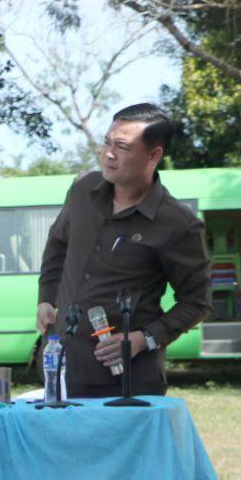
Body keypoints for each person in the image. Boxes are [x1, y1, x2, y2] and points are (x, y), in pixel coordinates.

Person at [36, 104, 210, 399]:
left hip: (126, 382)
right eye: (107, 142)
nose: (108, 154)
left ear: (153, 155)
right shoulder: (82, 191)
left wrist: (145, 338)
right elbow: (58, 244)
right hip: (61, 367)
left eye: (122, 147)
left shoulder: (179, 224)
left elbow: (197, 302)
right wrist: (46, 298)